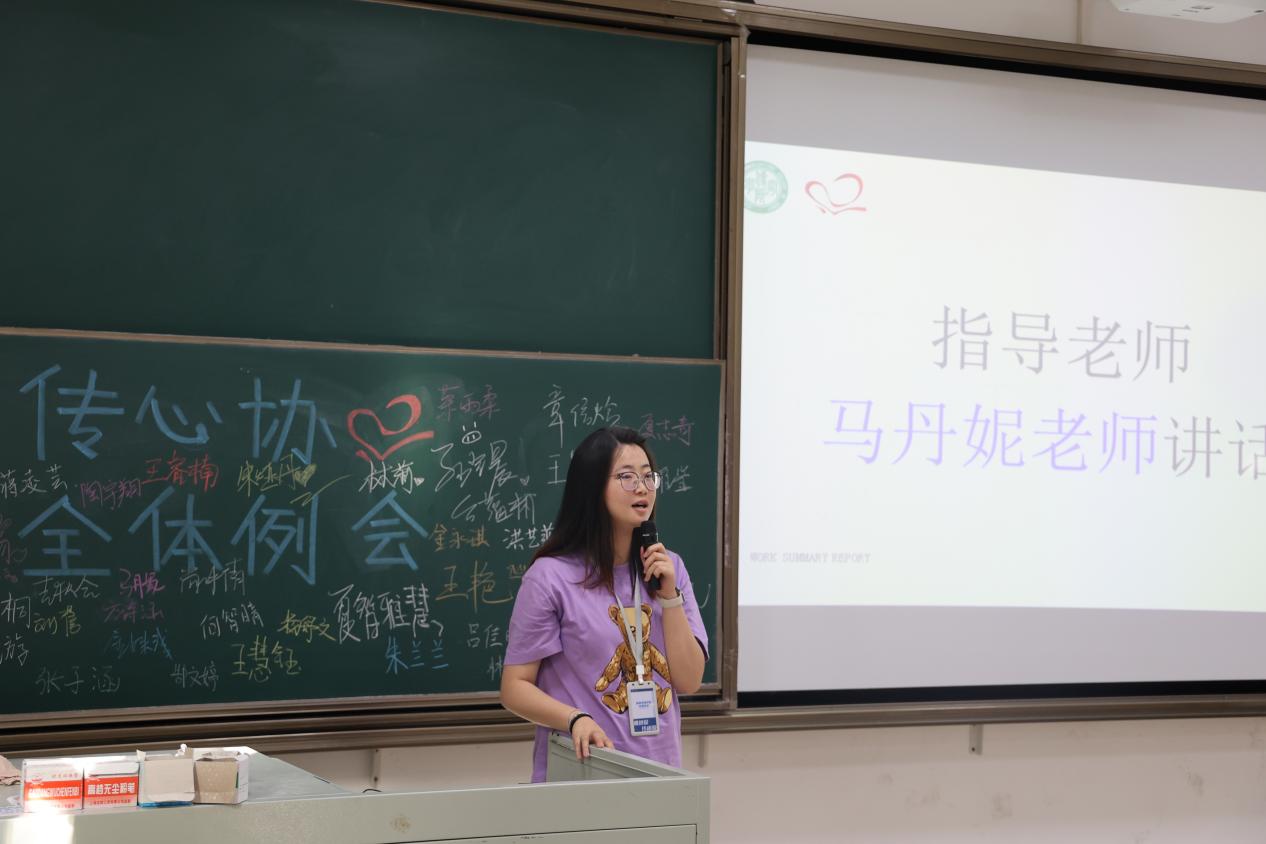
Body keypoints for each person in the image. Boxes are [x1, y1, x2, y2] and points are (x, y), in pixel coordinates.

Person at [501, 426, 708, 781]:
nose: (642, 488)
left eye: (648, 476)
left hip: (662, 774)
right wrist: (574, 718)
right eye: (627, 477)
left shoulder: (668, 568)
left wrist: (670, 598)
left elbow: (689, 681)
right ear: (592, 487)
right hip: (584, 772)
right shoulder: (550, 577)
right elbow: (514, 687)